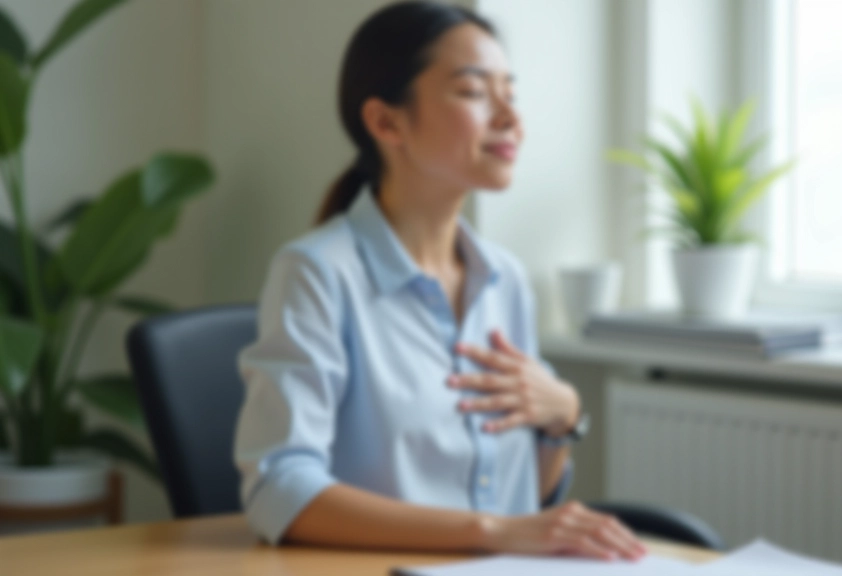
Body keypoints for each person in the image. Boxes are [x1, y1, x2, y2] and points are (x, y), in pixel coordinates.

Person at [232, 0, 646, 561]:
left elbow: (531, 496)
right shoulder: (316, 273)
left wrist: (564, 417)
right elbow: (279, 490)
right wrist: (491, 532)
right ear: (386, 122)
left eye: (511, 94)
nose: (510, 117)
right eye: (476, 93)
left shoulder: (505, 280)